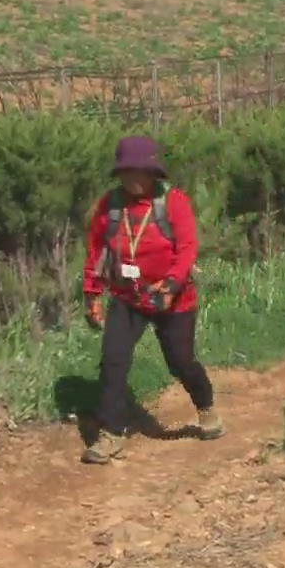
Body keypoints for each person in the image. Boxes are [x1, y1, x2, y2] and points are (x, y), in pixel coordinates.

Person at [80, 135, 223, 465]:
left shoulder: (174, 203)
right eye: (127, 172)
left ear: (154, 173)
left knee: (180, 361)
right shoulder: (109, 206)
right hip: (128, 295)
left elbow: (187, 249)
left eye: (141, 171)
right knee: (113, 360)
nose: (134, 179)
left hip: (173, 299)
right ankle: (112, 433)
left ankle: (205, 406)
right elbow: (97, 251)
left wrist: (171, 285)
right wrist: (92, 294)